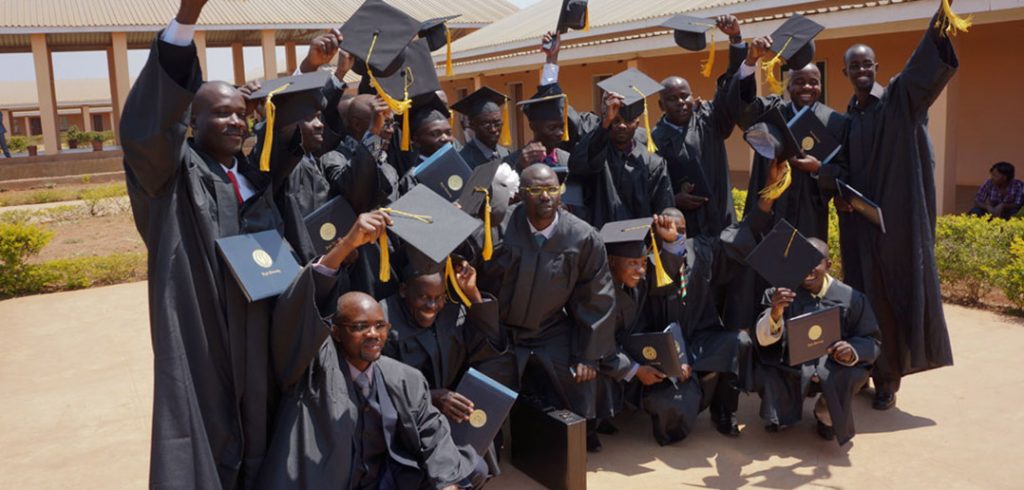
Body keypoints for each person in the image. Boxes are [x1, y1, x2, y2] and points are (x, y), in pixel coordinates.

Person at [119, 0, 301, 486]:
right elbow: (147, 130)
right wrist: (187, 18)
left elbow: (286, 148)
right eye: (222, 115)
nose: (238, 123)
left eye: (241, 115)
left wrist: (306, 78)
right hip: (204, 325)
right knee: (208, 423)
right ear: (190, 124)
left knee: (260, 421)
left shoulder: (247, 175)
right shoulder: (170, 175)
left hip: (256, 323)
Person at [259, 212, 486, 488]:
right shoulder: (313, 372)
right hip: (325, 480)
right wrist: (345, 246)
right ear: (335, 331)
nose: (373, 335)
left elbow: (432, 431)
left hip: (382, 480)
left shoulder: (403, 377)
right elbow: (299, 315)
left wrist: (448, 483)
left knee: (471, 467)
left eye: (380, 326)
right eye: (359, 327)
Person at [838, 0, 958, 410]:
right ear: (845, 73)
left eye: (867, 64)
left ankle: (889, 378)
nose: (862, 71)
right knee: (863, 298)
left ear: (875, 66)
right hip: (859, 229)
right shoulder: (850, 119)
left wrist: (941, 20)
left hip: (896, 228)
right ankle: (870, 368)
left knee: (890, 297)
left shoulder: (898, 103)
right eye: (854, 66)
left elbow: (921, 69)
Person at [475, 163, 616, 451]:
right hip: (502, 332)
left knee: (581, 377)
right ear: (521, 195)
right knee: (483, 391)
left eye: (552, 189)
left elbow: (596, 295)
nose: (545, 196)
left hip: (549, 328)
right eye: (536, 190)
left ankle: (582, 429)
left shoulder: (582, 237)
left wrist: (588, 355)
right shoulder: (498, 227)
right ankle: (486, 448)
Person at [753, 238, 880, 445]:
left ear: (828, 265)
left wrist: (851, 350)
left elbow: (871, 340)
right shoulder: (782, 293)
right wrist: (776, 313)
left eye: (815, 262)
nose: (806, 268)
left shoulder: (851, 298)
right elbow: (763, 339)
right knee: (764, 367)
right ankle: (781, 413)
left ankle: (826, 413)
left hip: (832, 367)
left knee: (851, 373)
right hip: (793, 365)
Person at [594, 214, 701, 448]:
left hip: (628, 351)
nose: (640, 270)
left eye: (643, 262)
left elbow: (665, 272)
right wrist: (634, 370)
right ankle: (594, 424)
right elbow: (599, 346)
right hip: (600, 357)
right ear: (611, 262)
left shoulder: (636, 281)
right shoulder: (599, 295)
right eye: (632, 263)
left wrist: (672, 242)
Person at [731, 37, 848, 242]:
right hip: (770, 208)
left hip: (810, 213)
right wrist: (751, 62)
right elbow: (743, 109)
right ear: (788, 85)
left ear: (820, 85)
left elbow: (845, 170)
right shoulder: (772, 111)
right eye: (799, 82)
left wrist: (819, 168)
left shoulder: (835, 122)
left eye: (813, 82)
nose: (807, 87)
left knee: (806, 267)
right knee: (766, 267)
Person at [653, 14, 748, 239]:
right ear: (660, 104)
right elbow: (650, 188)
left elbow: (730, 86)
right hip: (686, 229)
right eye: (672, 98)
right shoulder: (654, 140)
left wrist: (735, 39)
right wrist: (673, 199)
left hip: (721, 222)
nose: (680, 102)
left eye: (684, 96)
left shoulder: (709, 120)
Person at [567, 85, 675, 229]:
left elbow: (663, 209)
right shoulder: (597, 152)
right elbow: (576, 166)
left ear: (637, 123)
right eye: (616, 121)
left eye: (628, 121)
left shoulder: (653, 163)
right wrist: (605, 123)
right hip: (599, 241)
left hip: (639, 243)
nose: (622, 126)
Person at [452, 87, 513, 168]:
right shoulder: (463, 160)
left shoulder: (505, 153)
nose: (493, 129)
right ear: (472, 125)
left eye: (497, 124)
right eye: (486, 125)